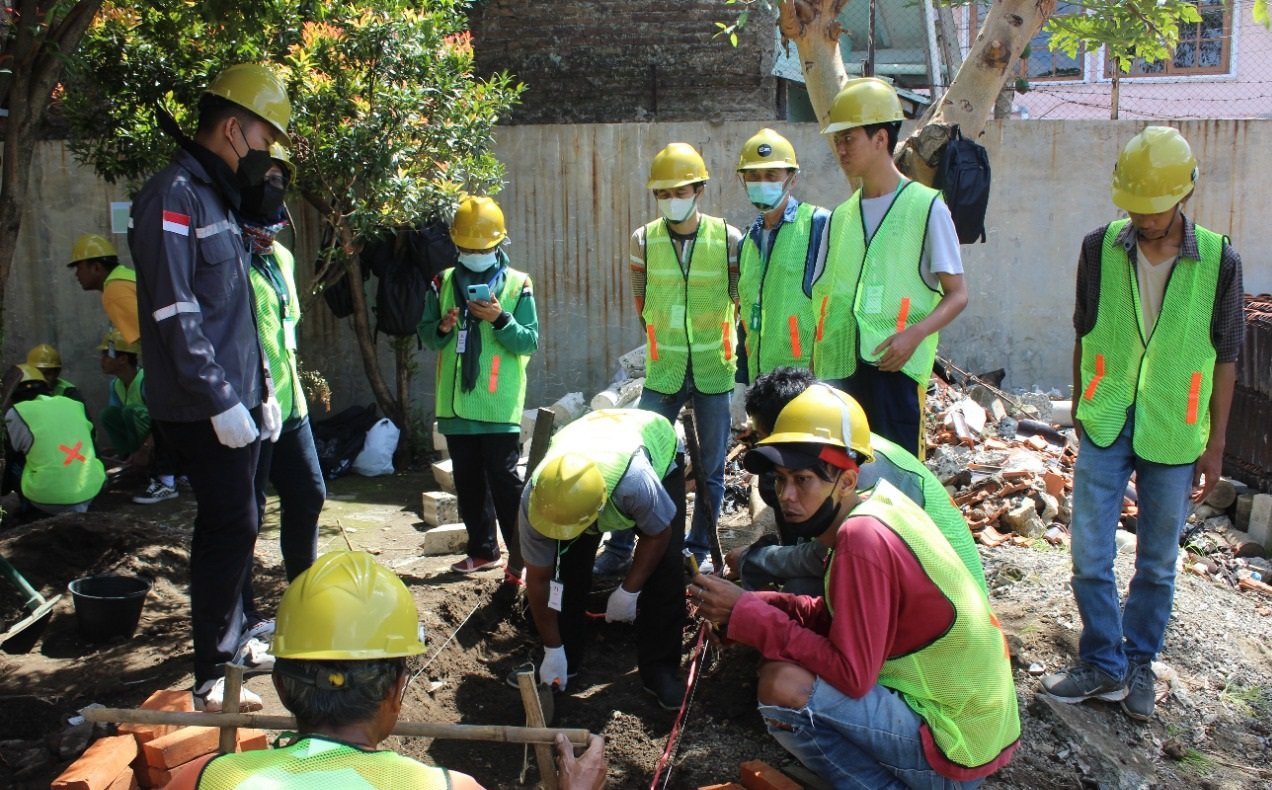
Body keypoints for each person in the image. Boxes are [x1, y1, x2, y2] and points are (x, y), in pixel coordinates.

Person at [691, 386, 1019, 787]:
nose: (787, 496)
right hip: (972, 731)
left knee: (782, 684)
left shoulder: (862, 539)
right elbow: (841, 615)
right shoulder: (876, 508)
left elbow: (853, 674)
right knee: (790, 665)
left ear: (846, 481)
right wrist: (765, 605)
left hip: (953, 752)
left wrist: (751, 615)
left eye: (803, 480)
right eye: (781, 480)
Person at [1041, 126, 1244, 722]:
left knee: (1156, 561)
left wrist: (1216, 445)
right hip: (1105, 419)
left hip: (1174, 430)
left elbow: (1227, 355)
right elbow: (1084, 328)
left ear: (1183, 196)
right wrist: (1080, 402)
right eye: (1134, 207)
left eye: (1155, 209)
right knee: (1089, 552)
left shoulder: (1219, 260)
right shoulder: (1097, 248)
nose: (1144, 219)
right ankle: (1103, 662)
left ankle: (1138, 663)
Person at [130, 62, 290, 712]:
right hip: (203, 405)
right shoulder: (172, 195)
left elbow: (241, 311)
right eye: (264, 138)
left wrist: (264, 387)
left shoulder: (220, 196)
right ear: (232, 128)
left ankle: (239, 634)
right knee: (229, 525)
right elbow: (175, 311)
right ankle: (210, 675)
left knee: (242, 524)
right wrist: (221, 397)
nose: (269, 156)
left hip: (241, 400)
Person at [594, 143, 742, 578]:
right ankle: (621, 547)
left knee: (712, 467)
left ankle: (698, 547)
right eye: (663, 192)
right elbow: (642, 302)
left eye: (680, 190)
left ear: (699, 189)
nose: (671, 199)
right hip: (663, 370)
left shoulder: (727, 238)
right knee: (637, 458)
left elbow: (736, 295)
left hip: (715, 367)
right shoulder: (644, 240)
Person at [811, 77, 968, 458]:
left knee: (897, 478)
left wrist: (914, 335)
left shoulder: (926, 207)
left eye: (850, 138)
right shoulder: (841, 216)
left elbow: (958, 294)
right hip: (841, 367)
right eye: (838, 139)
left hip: (894, 370)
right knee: (845, 475)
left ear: (881, 139)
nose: (841, 149)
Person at [731, 370, 987, 597]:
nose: (786, 495)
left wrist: (756, 561)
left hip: (945, 597)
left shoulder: (855, 473)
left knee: (802, 591)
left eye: (768, 438)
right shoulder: (842, 444)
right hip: (934, 586)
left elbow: (823, 557)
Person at [230, 143, 326, 668]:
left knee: (309, 494)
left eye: (279, 177)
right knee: (244, 518)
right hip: (244, 410)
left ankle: (303, 601)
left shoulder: (281, 257)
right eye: (263, 176)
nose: (274, 185)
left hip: (289, 406)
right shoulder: (225, 252)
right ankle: (241, 623)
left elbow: (285, 334)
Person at [520, 408, 687, 710]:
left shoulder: (635, 484)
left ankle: (660, 670)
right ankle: (564, 657)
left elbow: (658, 533)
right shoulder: (536, 500)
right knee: (567, 569)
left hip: (652, 443)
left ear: (600, 507)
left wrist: (629, 590)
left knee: (666, 569)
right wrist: (551, 648)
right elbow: (539, 578)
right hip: (587, 443)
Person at [420, 195, 538, 582]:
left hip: (497, 405)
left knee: (505, 484)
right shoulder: (443, 282)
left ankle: (521, 559)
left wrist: (500, 318)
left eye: (482, 248)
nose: (474, 254)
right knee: (468, 482)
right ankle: (482, 551)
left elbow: (529, 342)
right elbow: (427, 335)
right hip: (455, 407)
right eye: (467, 248)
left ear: (498, 244)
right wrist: (443, 326)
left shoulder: (519, 285)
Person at [735, 129, 829, 384]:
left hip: (803, 381)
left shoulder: (817, 225)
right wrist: (742, 380)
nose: (761, 182)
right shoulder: (746, 244)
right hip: (762, 383)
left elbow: (835, 310)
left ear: (792, 179)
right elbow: (745, 321)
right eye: (753, 176)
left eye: (771, 175)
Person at [3, 364, 106, 517]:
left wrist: (3, 490)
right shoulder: (73, 404)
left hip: (46, 500)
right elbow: (94, 449)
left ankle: (29, 510)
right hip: (91, 491)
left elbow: (12, 458)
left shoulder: (16, 413)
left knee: (17, 462)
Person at [67, 233, 141, 344]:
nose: (77, 274)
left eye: (79, 268)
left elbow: (148, 336)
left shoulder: (114, 290)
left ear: (96, 267)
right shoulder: (125, 277)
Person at [96, 329, 152, 466]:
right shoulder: (116, 385)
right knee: (108, 414)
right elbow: (117, 420)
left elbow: (162, 422)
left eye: (107, 355)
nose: (102, 360)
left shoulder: (146, 381)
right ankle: (127, 457)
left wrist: (145, 448)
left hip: (156, 437)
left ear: (123, 359)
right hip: (138, 440)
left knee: (130, 411)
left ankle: (147, 458)